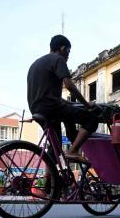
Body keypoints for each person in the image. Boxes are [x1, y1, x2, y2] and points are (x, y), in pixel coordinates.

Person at [27, 35, 97, 163]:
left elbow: (52, 96)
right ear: (63, 48)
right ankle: (73, 151)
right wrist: (86, 104)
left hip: (37, 108)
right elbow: (69, 85)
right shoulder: (58, 59)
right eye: (68, 52)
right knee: (91, 118)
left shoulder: (36, 64)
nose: (68, 56)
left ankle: (50, 179)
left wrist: (70, 103)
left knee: (56, 147)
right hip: (51, 107)